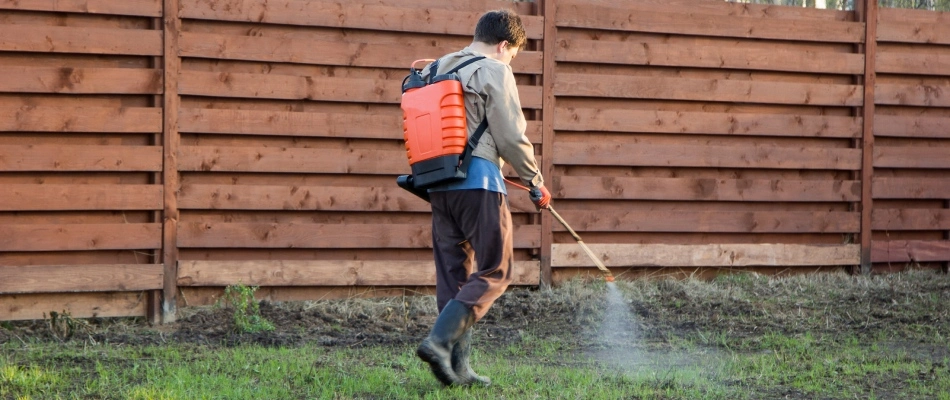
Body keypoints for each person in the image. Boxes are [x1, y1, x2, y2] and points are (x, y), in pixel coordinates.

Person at [414, 9, 552, 387]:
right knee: (497, 268)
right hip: (479, 184)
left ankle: (458, 370)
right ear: (504, 45)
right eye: (512, 55)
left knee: (454, 276)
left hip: (438, 185)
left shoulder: (435, 68)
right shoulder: (494, 69)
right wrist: (535, 181)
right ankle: (440, 343)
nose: (510, 61)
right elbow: (510, 135)